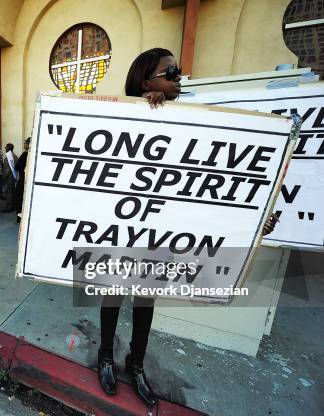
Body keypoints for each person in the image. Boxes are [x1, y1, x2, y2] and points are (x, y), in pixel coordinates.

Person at [97, 48, 280, 407]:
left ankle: (136, 365)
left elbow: (211, 187)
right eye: (172, 72)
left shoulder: (197, 118)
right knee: (113, 292)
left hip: (161, 236)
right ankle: (105, 357)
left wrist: (253, 219)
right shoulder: (122, 117)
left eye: (178, 71)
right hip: (123, 230)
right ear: (145, 82)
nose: (180, 77)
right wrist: (138, 113)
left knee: (144, 301)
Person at [14, 137, 30, 224]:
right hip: (30, 180)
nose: (24, 145)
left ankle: (19, 218)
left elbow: (17, 166)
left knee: (19, 198)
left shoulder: (25, 154)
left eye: (26, 143)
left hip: (23, 179)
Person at [2, 143, 18, 213]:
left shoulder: (9, 157)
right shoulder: (15, 156)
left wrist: (3, 178)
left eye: (5, 147)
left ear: (8, 148)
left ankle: (9, 207)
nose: (5, 148)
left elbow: (7, 170)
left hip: (9, 177)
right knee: (12, 191)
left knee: (9, 192)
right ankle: (13, 205)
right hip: (14, 177)